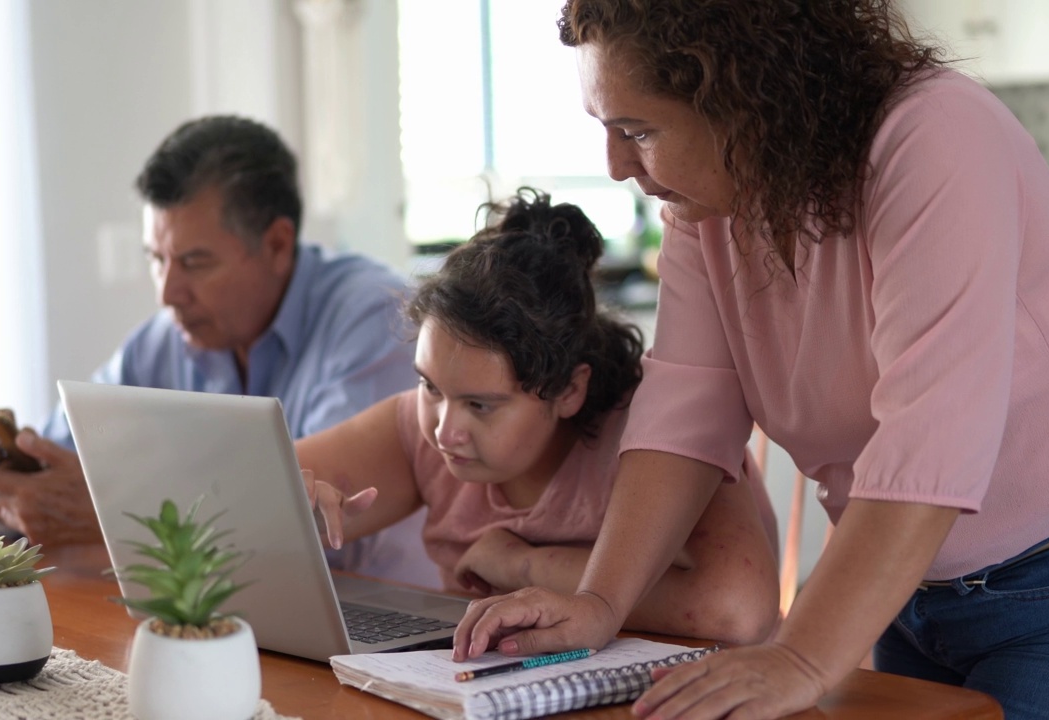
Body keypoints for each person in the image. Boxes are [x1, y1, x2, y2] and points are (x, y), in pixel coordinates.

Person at [451, 2, 1049, 719]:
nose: (615, 165)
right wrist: (599, 602)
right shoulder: (706, 207)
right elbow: (685, 411)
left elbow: (930, 436)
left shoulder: (934, 135)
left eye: (636, 129)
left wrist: (802, 657)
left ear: (739, 92)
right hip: (913, 598)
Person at [0, 115, 438, 586]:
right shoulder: (164, 339)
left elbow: (315, 523)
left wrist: (116, 508)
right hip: (219, 614)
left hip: (373, 628)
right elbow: (62, 461)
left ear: (277, 244)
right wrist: (12, 491)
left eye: (194, 262)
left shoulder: (378, 315)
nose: (168, 293)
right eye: (157, 260)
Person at [296, 189, 780, 642]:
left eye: (481, 405)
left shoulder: (654, 433)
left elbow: (735, 609)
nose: (444, 431)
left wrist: (523, 566)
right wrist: (293, 515)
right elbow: (232, 500)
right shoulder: (422, 428)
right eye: (430, 386)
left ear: (569, 390)